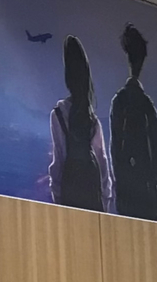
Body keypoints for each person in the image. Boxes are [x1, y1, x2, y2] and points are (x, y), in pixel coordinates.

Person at [110, 26, 157, 222]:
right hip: (145, 192)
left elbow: (116, 152)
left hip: (132, 191)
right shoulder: (145, 105)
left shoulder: (123, 102)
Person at [49, 37, 115, 212]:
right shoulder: (92, 118)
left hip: (71, 185)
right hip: (92, 186)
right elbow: (102, 162)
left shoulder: (58, 114)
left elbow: (59, 158)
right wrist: (106, 200)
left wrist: (57, 195)